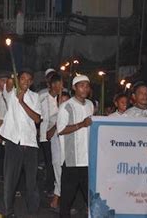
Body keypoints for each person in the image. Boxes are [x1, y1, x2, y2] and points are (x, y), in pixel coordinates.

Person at [0, 68, 42, 218]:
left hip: (30, 144)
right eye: (22, 78)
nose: (26, 82)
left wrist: (22, 102)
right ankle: (8, 211)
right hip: (13, 143)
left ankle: (33, 210)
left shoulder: (35, 97)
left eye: (29, 79)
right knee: (11, 179)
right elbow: (9, 84)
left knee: (32, 181)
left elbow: (37, 119)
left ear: (32, 82)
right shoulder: (10, 94)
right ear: (18, 79)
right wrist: (12, 78)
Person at [57, 75, 93, 218]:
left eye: (87, 85)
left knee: (91, 197)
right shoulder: (66, 106)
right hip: (72, 160)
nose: (85, 88)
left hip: (88, 160)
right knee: (66, 199)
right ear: (74, 87)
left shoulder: (90, 105)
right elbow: (60, 130)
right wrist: (81, 124)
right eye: (81, 85)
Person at [40, 72, 63, 210]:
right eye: (59, 83)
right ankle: (51, 188)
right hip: (45, 134)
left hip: (59, 136)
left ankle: (53, 188)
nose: (61, 86)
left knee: (55, 163)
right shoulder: (42, 97)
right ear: (53, 84)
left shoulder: (64, 97)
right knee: (51, 162)